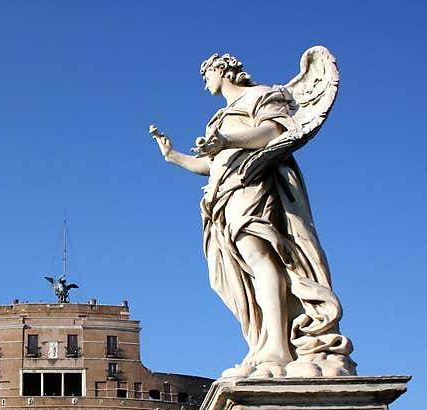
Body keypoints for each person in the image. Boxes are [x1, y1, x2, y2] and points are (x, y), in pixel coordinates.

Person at [151, 50, 355, 378]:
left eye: (207, 76)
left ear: (224, 70)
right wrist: (173, 156)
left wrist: (226, 139)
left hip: (253, 183)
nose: (206, 85)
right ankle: (263, 343)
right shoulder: (219, 118)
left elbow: (274, 132)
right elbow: (213, 165)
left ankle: (277, 345)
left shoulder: (260, 96)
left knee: (262, 258)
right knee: (242, 271)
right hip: (224, 194)